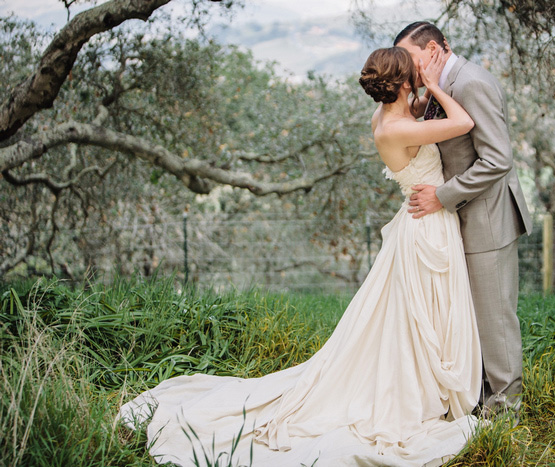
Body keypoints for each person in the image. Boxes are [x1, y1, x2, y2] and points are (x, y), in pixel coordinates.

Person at [119, 47, 483, 466]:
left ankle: (425, 385)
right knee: (419, 318)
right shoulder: (394, 129)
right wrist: (436, 84)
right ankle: (423, 392)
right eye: (413, 73)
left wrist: (419, 95)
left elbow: (416, 116)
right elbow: (464, 123)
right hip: (426, 228)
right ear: (403, 83)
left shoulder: (388, 117)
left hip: (420, 220)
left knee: (412, 320)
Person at [394, 21, 533, 418]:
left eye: (414, 60)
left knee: (495, 317)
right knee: (474, 315)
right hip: (465, 218)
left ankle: (505, 411)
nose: (410, 70)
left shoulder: (470, 82)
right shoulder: (441, 83)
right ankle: (479, 397)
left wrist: (442, 195)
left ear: (436, 48)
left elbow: (497, 160)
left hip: (488, 217)